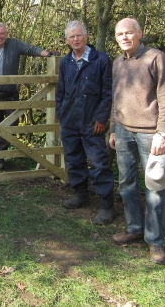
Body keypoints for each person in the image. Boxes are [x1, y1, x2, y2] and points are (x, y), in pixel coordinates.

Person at [109, 18, 165, 265]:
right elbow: (115, 98)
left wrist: (163, 132)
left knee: (155, 188)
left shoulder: (155, 58)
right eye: (119, 34)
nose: (124, 37)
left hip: (150, 133)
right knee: (127, 183)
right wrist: (114, 129)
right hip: (124, 131)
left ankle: (156, 242)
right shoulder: (117, 62)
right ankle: (135, 228)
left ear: (140, 33)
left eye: (129, 33)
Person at [56, 21, 115, 225]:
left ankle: (107, 205)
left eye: (78, 35)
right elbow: (60, 93)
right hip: (70, 120)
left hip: (92, 121)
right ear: (66, 40)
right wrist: (61, 115)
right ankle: (81, 195)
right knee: (73, 159)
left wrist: (101, 118)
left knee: (98, 162)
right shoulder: (66, 62)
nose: (75, 39)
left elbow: (108, 93)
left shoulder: (101, 60)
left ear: (86, 36)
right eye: (71, 37)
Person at [0, 22, 53, 169]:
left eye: (2, 33)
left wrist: (47, 54)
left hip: (10, 92)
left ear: (7, 34)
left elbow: (30, 49)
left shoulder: (15, 45)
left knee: (13, 123)